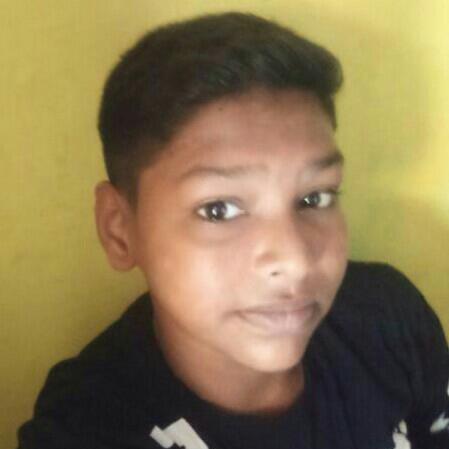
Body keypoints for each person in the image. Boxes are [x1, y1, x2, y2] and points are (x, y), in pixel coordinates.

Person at [17, 12, 449, 449]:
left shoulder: (387, 319)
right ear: (119, 231)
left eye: (315, 198)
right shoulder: (90, 426)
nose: (295, 260)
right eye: (219, 210)